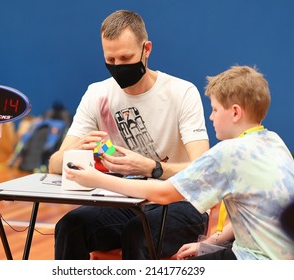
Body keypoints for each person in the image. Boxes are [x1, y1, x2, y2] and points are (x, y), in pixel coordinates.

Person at [65, 65, 294, 260]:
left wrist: (97, 179)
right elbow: (257, 214)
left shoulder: (230, 152)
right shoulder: (274, 141)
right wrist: (211, 243)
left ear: (235, 112)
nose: (211, 117)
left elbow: (163, 193)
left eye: (214, 109)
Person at [49, 10, 210, 259]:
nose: (118, 67)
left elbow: (203, 170)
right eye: (110, 60)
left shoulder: (181, 92)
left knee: (138, 233)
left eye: (126, 58)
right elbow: (54, 165)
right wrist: (75, 150)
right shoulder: (97, 94)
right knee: (71, 227)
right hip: (127, 202)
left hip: (183, 204)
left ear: (147, 49)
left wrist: (153, 168)